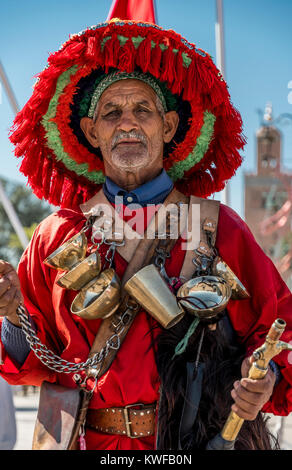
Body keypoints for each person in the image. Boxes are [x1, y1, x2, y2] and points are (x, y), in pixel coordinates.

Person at [0, 19, 291, 451]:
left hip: (195, 442)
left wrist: (262, 377)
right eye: (111, 113)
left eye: (143, 110)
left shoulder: (219, 227)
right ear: (90, 131)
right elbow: (30, 365)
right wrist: (9, 313)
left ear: (169, 126)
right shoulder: (55, 235)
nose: (128, 124)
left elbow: (279, 329)